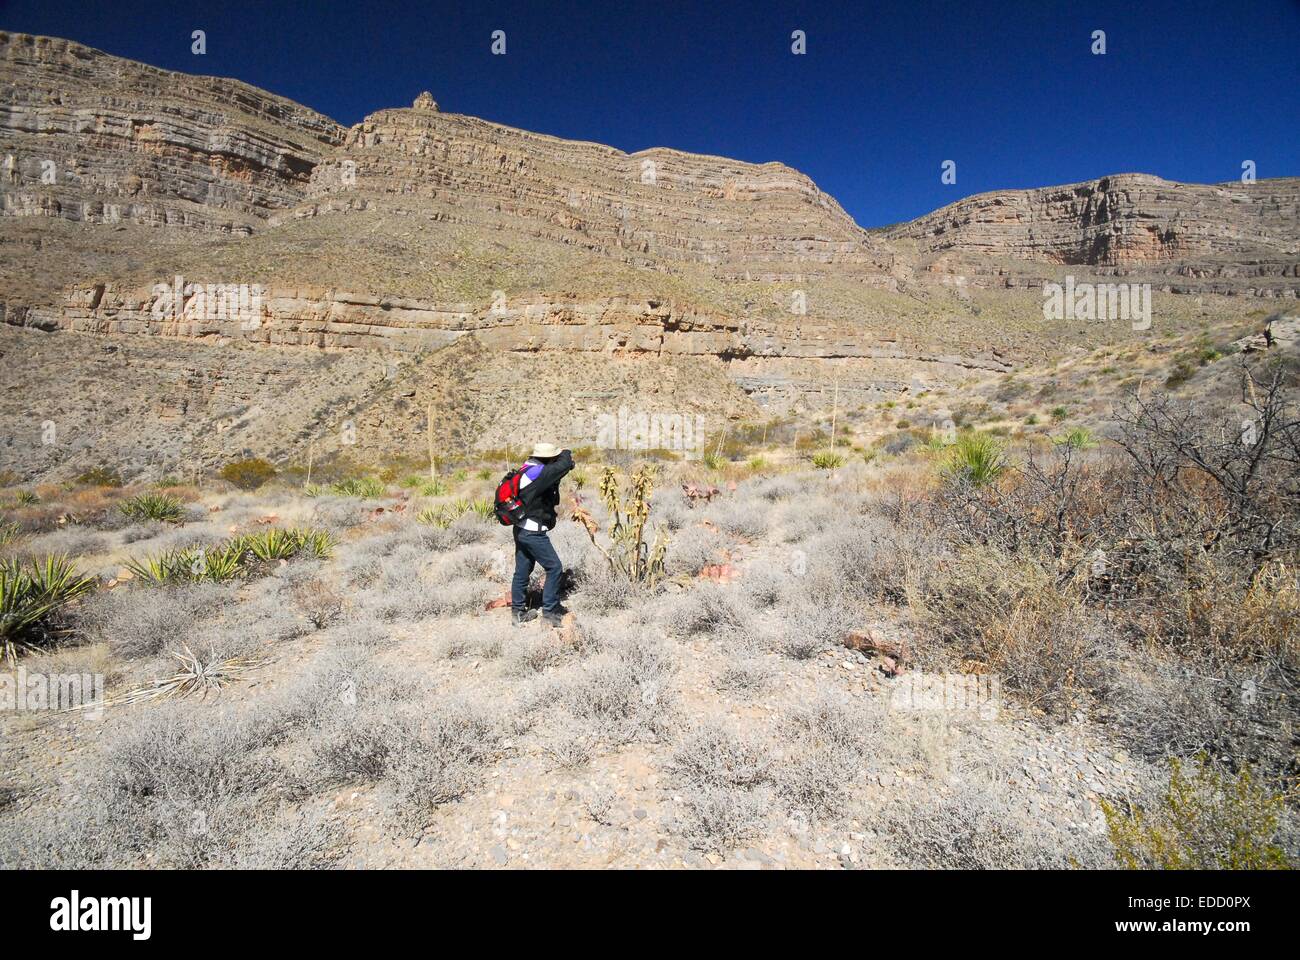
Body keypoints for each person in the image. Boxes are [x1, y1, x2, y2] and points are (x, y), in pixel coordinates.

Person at [510, 442, 574, 626]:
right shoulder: (539, 473)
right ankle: (550, 613)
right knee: (554, 567)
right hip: (532, 532)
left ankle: (518, 612)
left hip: (520, 528)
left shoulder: (526, 469)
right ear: (548, 458)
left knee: (522, 570)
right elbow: (562, 466)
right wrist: (565, 452)